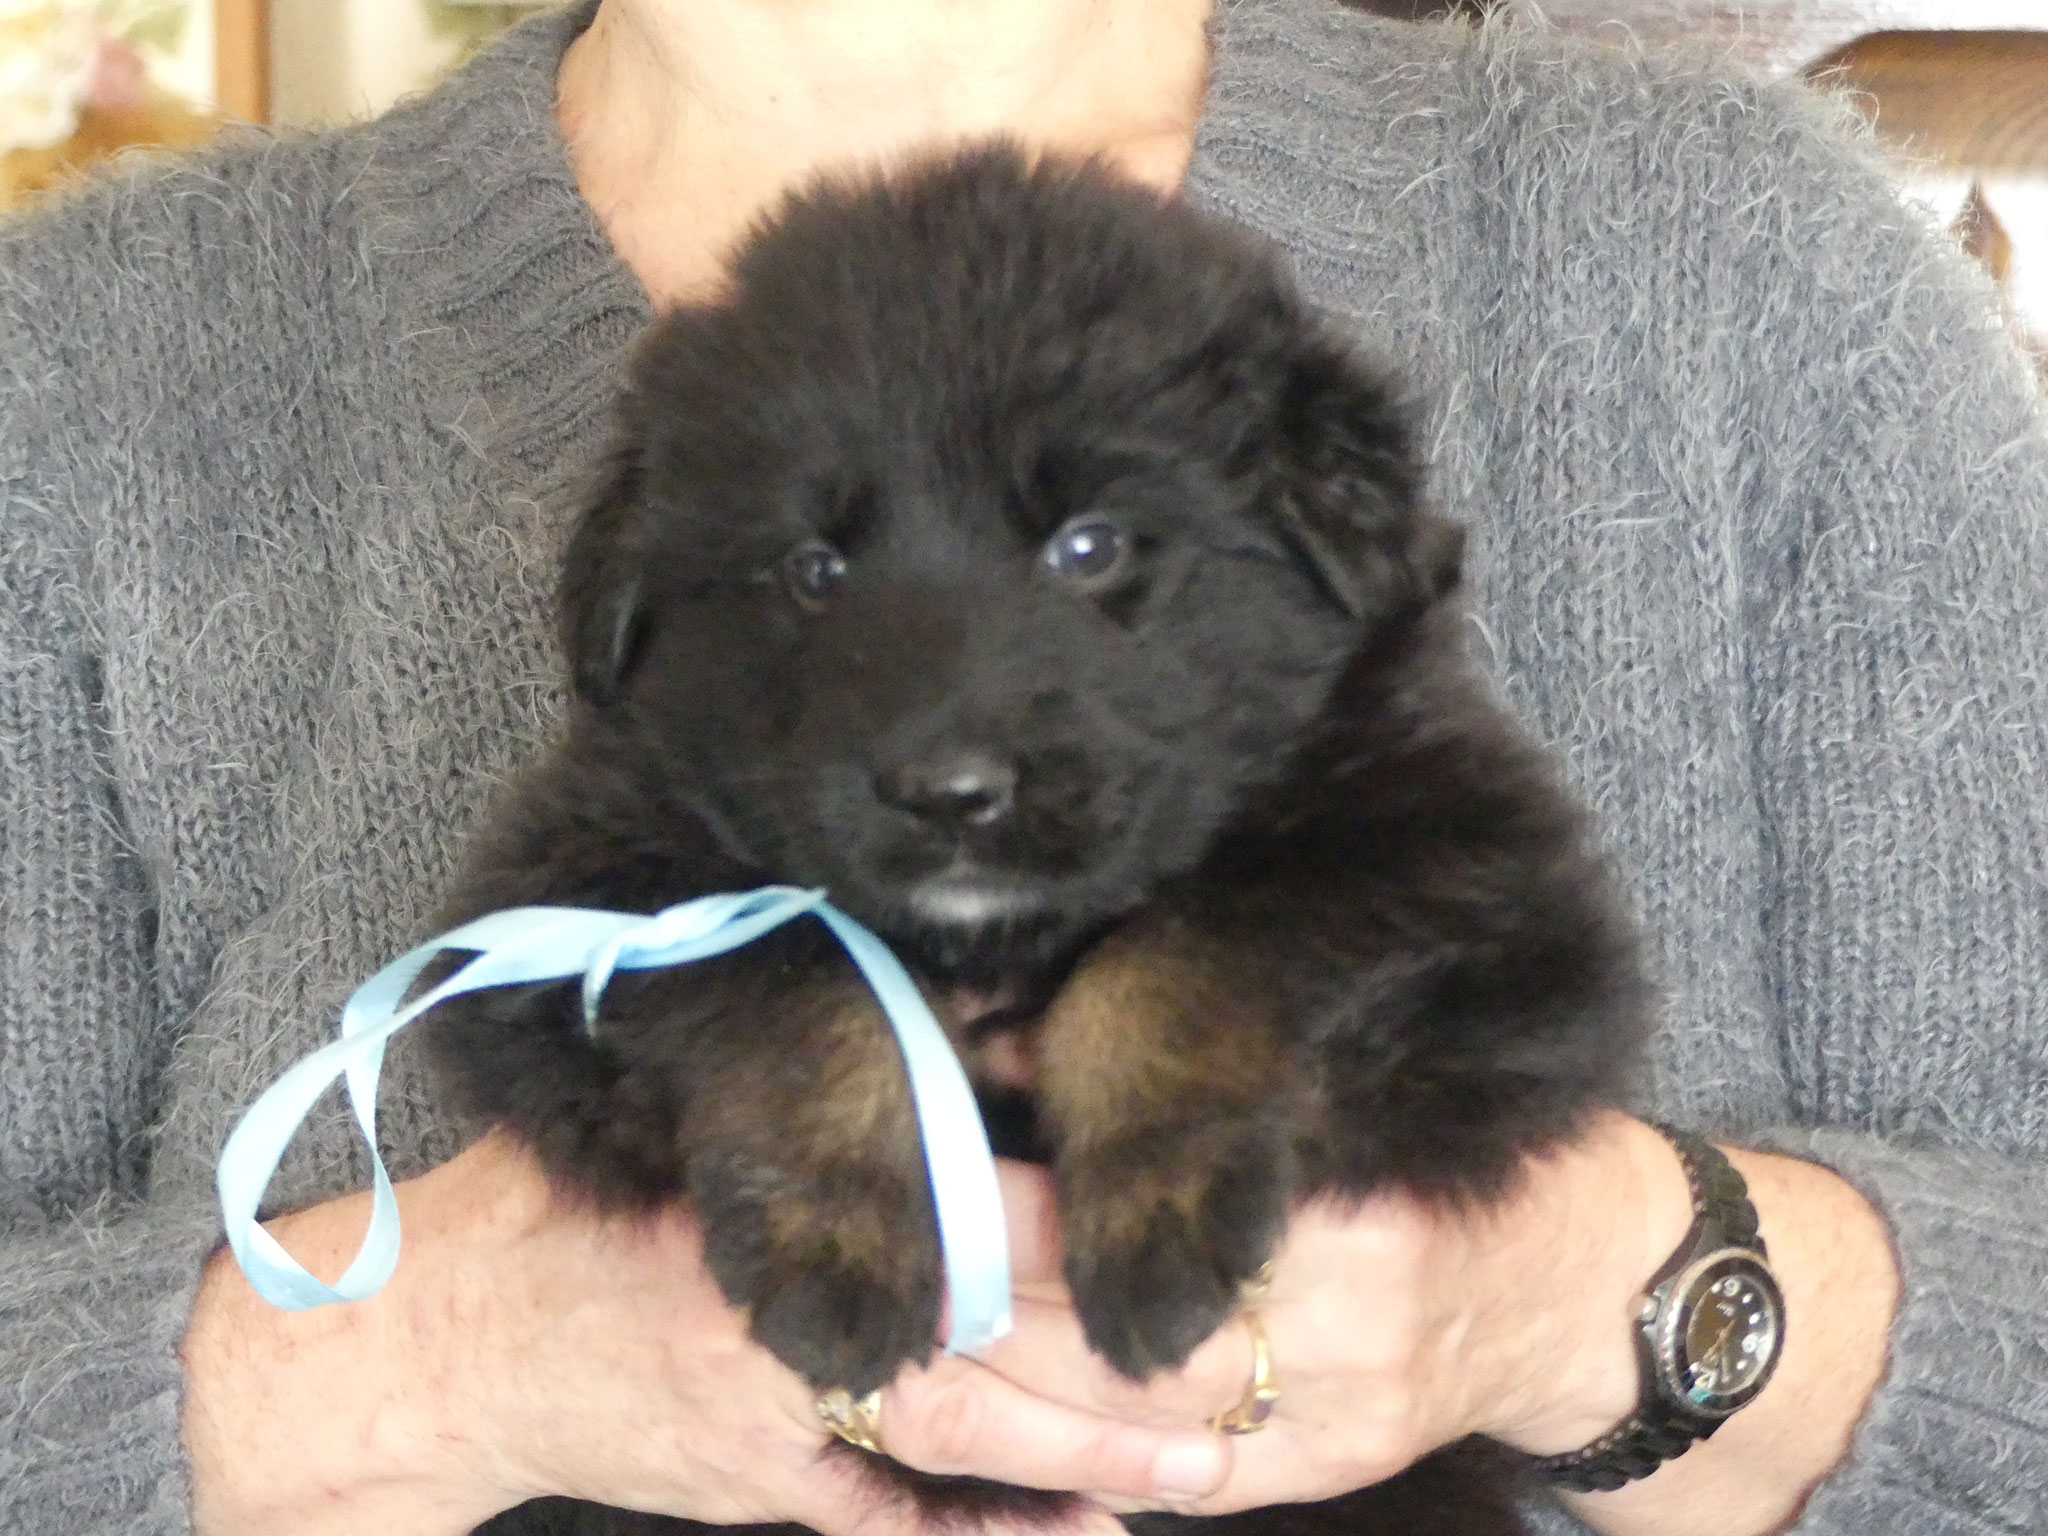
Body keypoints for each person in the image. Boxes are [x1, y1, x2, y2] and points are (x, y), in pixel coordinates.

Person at [0, 0, 2041, 1532]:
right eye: (812, 575)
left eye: (1089, 553)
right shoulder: (79, 370)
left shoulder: (1741, 269)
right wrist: (416, 1364)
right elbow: (587, 948)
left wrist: (1581, 1301)